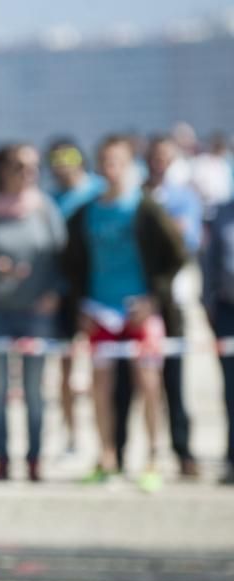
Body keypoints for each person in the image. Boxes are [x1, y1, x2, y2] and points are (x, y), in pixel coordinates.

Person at [63, 135, 185, 492]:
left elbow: (176, 255)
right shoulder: (86, 212)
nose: (110, 169)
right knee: (100, 387)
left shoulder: (145, 207)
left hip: (139, 310)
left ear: (130, 165)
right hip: (100, 310)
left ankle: (151, 459)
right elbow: (73, 263)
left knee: (148, 384)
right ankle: (106, 458)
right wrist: (81, 304)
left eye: (117, 161)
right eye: (104, 161)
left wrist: (153, 299)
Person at [0, 143, 66, 482]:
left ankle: (36, 458)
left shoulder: (44, 208)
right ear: (2, 170)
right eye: (21, 167)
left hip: (35, 312)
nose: (29, 174)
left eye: (33, 167)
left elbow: (61, 257)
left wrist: (54, 293)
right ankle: (2, 459)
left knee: (35, 392)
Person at [114, 135, 201, 478]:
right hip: (132, 301)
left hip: (166, 303)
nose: (160, 163)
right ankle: (119, 453)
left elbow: (182, 245)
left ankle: (180, 451)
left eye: (167, 158)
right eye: (155, 157)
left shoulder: (179, 198)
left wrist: (157, 296)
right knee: (125, 383)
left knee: (171, 383)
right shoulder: (137, 199)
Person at [203, 197, 234, 484]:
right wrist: (208, 303)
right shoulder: (222, 212)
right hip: (227, 310)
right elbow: (209, 260)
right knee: (231, 388)